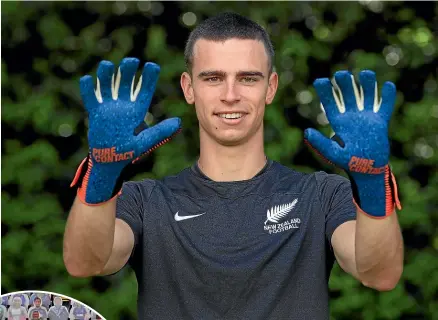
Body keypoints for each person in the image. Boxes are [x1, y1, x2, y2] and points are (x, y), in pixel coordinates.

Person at [64, 12, 404, 320]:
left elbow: (379, 274)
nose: (230, 94)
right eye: (212, 78)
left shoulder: (323, 195)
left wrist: (373, 183)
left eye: (248, 78)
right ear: (189, 87)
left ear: (270, 87)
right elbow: (86, 262)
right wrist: (102, 173)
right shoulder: (145, 201)